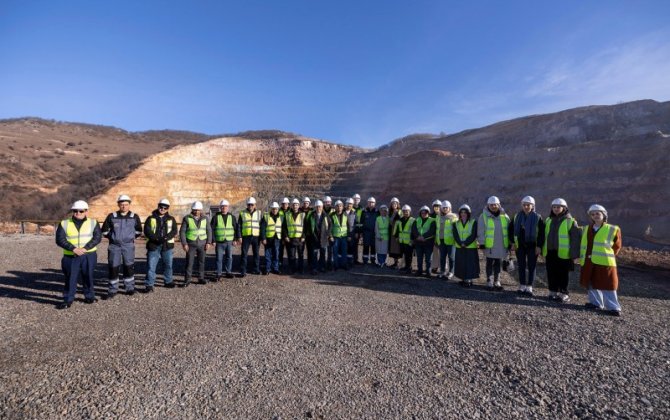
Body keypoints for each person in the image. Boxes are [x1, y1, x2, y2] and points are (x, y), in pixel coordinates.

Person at [54, 200, 102, 309]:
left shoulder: (93, 223)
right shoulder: (64, 223)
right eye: (75, 211)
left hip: (88, 255)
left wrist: (85, 248)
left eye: (81, 211)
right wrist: (73, 249)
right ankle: (67, 300)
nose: (78, 213)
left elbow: (97, 238)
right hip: (70, 256)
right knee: (70, 278)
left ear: (86, 211)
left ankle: (89, 296)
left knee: (88, 276)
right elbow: (59, 239)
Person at [579, 204, 623, 316]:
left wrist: (607, 254)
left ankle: (614, 307)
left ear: (604, 214)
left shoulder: (613, 229)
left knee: (608, 284)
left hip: (605, 261)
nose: (595, 216)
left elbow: (617, 247)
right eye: (592, 214)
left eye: (597, 213)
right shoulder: (586, 229)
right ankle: (596, 303)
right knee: (591, 282)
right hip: (588, 260)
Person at [101, 194, 142, 298]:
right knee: (113, 267)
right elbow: (104, 231)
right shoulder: (112, 216)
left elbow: (138, 231)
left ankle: (129, 288)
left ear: (129, 205)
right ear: (118, 205)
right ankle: (113, 289)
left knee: (129, 266)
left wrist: (130, 238)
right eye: (122, 204)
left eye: (126, 204)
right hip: (114, 246)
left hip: (128, 246)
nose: (124, 206)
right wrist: (113, 238)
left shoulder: (134, 216)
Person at [542, 198, 581, 302]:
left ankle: (563, 293)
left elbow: (575, 239)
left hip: (564, 253)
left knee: (563, 274)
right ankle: (552, 291)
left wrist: (574, 254)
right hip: (550, 252)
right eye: (554, 207)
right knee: (551, 272)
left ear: (564, 208)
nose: (556, 209)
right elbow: (545, 236)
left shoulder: (570, 221)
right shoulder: (548, 220)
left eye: (558, 207)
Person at [509, 196, 544, 296]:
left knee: (532, 266)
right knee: (521, 265)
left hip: (533, 245)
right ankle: (522, 285)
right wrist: (512, 242)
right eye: (524, 205)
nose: (526, 207)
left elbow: (541, 233)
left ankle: (529, 286)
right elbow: (510, 230)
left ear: (532, 206)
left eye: (528, 205)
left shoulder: (537, 217)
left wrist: (539, 246)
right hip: (520, 245)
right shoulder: (516, 216)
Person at [143, 198, 178, 291]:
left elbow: (174, 230)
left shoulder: (171, 219)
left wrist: (166, 238)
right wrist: (156, 238)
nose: (162, 209)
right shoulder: (150, 218)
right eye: (161, 207)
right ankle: (149, 284)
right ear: (158, 206)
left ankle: (168, 281)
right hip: (154, 245)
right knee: (151, 265)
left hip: (167, 246)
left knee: (168, 265)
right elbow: (147, 230)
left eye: (165, 208)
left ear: (168, 209)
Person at [478, 196, 511, 291]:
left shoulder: (505, 216)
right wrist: (482, 242)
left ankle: (497, 281)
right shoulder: (483, 216)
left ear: (499, 205)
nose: (493, 206)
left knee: (498, 263)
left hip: (501, 245)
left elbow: (508, 230)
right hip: (489, 246)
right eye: (491, 205)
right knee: (489, 263)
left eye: (495, 204)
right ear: (488, 205)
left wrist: (509, 243)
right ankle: (489, 281)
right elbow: (480, 231)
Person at [179, 201, 211, 286]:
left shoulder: (205, 218)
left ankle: (201, 278)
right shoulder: (187, 218)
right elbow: (182, 231)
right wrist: (184, 243)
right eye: (195, 210)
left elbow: (209, 230)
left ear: (201, 210)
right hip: (191, 244)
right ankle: (187, 280)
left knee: (201, 262)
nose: (197, 211)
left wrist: (208, 242)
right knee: (189, 262)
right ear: (192, 210)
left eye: (198, 210)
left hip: (202, 243)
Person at [211, 199, 238, 280]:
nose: (224, 208)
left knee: (229, 257)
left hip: (229, 241)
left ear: (228, 207)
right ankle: (219, 273)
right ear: (220, 207)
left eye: (225, 206)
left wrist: (235, 239)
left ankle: (228, 272)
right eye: (222, 206)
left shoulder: (232, 217)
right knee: (219, 258)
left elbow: (236, 228)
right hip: (219, 242)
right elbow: (211, 229)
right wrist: (213, 240)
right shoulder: (215, 217)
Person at [453, 204, 479, 287]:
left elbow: (473, 234)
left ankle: (469, 280)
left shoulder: (473, 222)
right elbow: (455, 234)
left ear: (468, 213)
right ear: (459, 213)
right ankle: (463, 279)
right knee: (461, 263)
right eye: (461, 212)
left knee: (470, 264)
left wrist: (465, 243)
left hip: (470, 247)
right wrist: (461, 243)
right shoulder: (456, 223)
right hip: (460, 246)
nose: (463, 214)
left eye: (465, 212)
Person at [237, 196, 263, 277]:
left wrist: (262, 237)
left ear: (255, 205)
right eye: (249, 205)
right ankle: (243, 270)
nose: (250, 206)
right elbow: (239, 226)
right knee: (244, 254)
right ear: (247, 205)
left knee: (256, 254)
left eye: (252, 205)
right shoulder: (242, 213)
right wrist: (239, 236)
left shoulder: (259, 213)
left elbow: (262, 226)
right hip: (246, 236)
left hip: (256, 236)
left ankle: (256, 269)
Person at [305, 200, 331, 274]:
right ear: (315, 207)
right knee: (314, 254)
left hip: (323, 238)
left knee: (322, 254)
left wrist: (327, 234)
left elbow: (330, 225)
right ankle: (314, 268)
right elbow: (308, 225)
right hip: (314, 238)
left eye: (320, 207)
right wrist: (311, 234)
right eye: (317, 207)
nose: (318, 208)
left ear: (322, 207)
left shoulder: (326, 216)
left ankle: (322, 267)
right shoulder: (311, 215)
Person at [435, 200, 458, 280]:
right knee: (442, 257)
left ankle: (451, 271)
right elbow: (437, 229)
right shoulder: (438, 217)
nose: (445, 209)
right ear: (441, 208)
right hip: (441, 240)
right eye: (443, 207)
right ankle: (442, 271)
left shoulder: (453, 217)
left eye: (446, 208)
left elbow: (456, 230)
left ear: (449, 208)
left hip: (450, 241)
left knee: (451, 257)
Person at [412, 205, 436, 277]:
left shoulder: (432, 220)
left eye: (425, 212)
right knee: (419, 258)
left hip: (428, 242)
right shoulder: (416, 220)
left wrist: (423, 237)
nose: (424, 214)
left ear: (428, 213)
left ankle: (428, 272)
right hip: (418, 242)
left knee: (428, 258)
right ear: (420, 213)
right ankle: (419, 271)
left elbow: (432, 231)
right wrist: (418, 237)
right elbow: (414, 230)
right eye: (422, 212)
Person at [283, 198, 306, 274]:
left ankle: (301, 269)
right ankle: (292, 269)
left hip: (300, 238)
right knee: (291, 255)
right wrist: (286, 236)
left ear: (299, 205)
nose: (295, 206)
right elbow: (284, 227)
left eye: (296, 205)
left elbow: (305, 227)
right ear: (291, 206)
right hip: (291, 238)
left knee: (301, 255)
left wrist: (303, 236)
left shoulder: (303, 215)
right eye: (294, 205)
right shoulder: (287, 214)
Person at [261, 201, 282, 275]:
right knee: (268, 254)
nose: (274, 210)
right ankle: (267, 269)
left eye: (276, 209)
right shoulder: (266, 216)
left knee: (276, 254)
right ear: (271, 209)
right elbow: (262, 228)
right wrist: (263, 238)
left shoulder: (281, 217)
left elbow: (282, 228)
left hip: (277, 238)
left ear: (278, 209)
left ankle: (275, 268)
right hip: (268, 238)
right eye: (273, 209)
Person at [394, 204, 415, 274]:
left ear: (410, 211)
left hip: (409, 241)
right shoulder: (400, 220)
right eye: (404, 211)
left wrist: (412, 240)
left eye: (407, 211)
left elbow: (414, 231)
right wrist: (396, 236)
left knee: (409, 255)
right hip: (402, 240)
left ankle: (409, 267)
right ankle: (405, 266)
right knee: (404, 254)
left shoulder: (413, 220)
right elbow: (397, 230)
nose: (405, 212)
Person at [330, 200, 349, 270]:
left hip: (344, 236)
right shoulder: (332, 215)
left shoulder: (345, 214)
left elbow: (348, 225)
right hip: (335, 237)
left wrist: (349, 235)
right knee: (335, 252)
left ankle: (344, 265)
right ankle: (336, 265)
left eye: (340, 206)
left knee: (344, 251)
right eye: (337, 206)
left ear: (342, 207)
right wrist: (331, 236)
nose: (339, 207)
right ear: (335, 207)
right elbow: (330, 227)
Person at [360, 197, 379, 264]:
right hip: (366, 232)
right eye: (370, 202)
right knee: (366, 246)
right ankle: (365, 260)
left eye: (372, 202)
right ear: (367, 203)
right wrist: (361, 232)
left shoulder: (377, 212)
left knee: (373, 246)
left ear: (375, 203)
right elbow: (361, 222)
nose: (371, 204)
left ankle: (373, 259)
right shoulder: (364, 211)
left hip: (374, 232)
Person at [387, 198, 403, 268]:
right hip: (391, 231)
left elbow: (401, 220)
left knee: (397, 248)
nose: (394, 205)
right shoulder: (390, 212)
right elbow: (390, 222)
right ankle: (395, 262)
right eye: (393, 204)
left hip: (397, 231)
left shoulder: (400, 212)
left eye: (395, 204)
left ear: (398, 204)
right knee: (393, 248)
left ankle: (398, 263)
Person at [430, 199, 442, 273]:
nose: (436, 208)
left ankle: (442, 268)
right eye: (435, 206)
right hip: (432, 238)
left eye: (438, 206)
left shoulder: (443, 216)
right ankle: (434, 267)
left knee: (442, 254)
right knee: (434, 254)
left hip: (441, 237)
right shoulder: (430, 216)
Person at [278, 197, 290, 271]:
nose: (285, 205)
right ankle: (280, 264)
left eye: (286, 204)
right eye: (283, 204)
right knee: (280, 251)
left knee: (290, 251)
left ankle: (290, 265)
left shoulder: (291, 212)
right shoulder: (278, 212)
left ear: (288, 204)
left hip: (290, 235)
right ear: (281, 204)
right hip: (280, 234)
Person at [345, 198, 357, 266]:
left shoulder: (354, 213)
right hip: (343, 234)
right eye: (348, 204)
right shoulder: (342, 212)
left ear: (352, 205)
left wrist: (356, 232)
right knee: (344, 248)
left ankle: (350, 262)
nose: (349, 205)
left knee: (351, 248)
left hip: (352, 233)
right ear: (345, 204)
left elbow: (357, 223)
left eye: (351, 204)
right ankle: (344, 261)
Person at [352, 193, 363, 264]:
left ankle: (355, 260)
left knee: (356, 246)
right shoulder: (350, 207)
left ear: (360, 200)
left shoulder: (361, 209)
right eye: (355, 199)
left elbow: (362, 221)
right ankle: (350, 259)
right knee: (350, 245)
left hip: (357, 230)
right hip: (350, 230)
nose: (356, 200)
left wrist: (360, 232)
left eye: (357, 199)